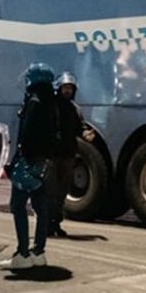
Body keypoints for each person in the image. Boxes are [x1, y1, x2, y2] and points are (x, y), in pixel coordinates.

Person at [0, 63, 59, 271]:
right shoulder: (52, 102)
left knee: (18, 206)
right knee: (41, 208)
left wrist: (16, 161)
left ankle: (22, 254)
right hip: (44, 163)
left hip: (28, 161)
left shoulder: (33, 102)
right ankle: (39, 251)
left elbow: (26, 137)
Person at [49, 72, 95, 236]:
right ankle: (46, 225)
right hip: (53, 155)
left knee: (62, 192)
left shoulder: (75, 109)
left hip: (68, 154)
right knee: (50, 192)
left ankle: (56, 223)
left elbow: (80, 128)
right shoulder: (51, 107)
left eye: (70, 88)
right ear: (59, 88)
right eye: (65, 87)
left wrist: (86, 134)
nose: (67, 91)